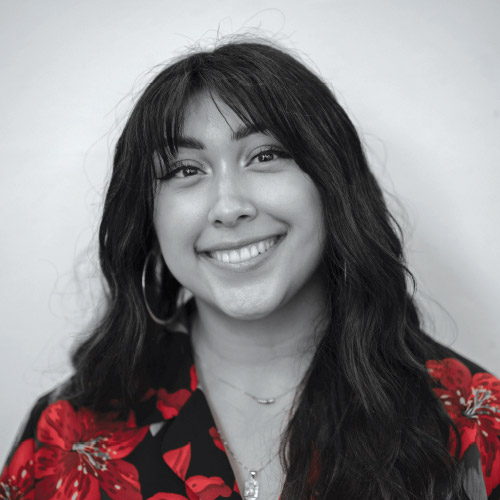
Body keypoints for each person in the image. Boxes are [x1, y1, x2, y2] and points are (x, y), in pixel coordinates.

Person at [1, 38, 499, 500]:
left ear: (332, 186)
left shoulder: (474, 421)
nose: (228, 206)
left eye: (265, 155)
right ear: (146, 218)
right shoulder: (64, 438)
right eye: (185, 170)